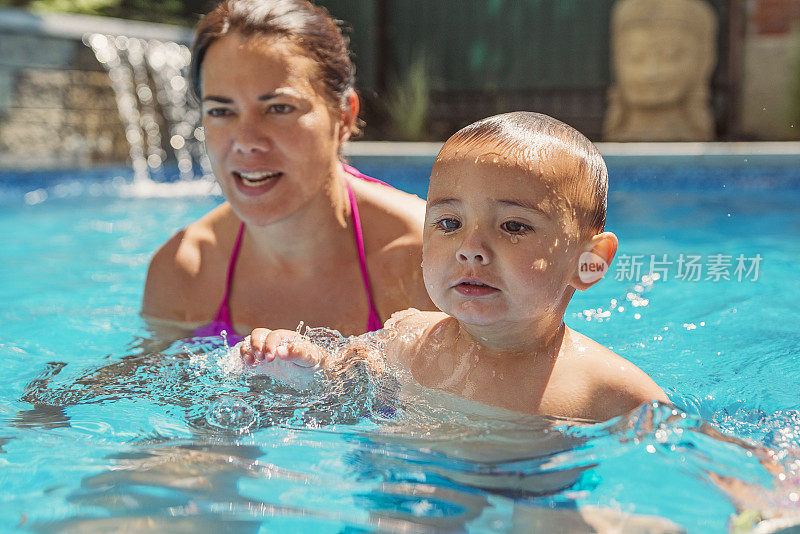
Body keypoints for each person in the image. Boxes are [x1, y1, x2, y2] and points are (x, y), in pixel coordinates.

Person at [235, 111, 669, 422]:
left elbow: (705, 462)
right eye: (449, 223)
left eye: (513, 226)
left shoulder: (606, 389)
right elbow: (340, 390)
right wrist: (302, 365)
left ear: (589, 263)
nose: (471, 249)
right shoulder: (407, 340)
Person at [142, 0, 433, 344]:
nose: (246, 141)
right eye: (221, 111)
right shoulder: (185, 270)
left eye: (278, 108)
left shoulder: (427, 261)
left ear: (344, 118)